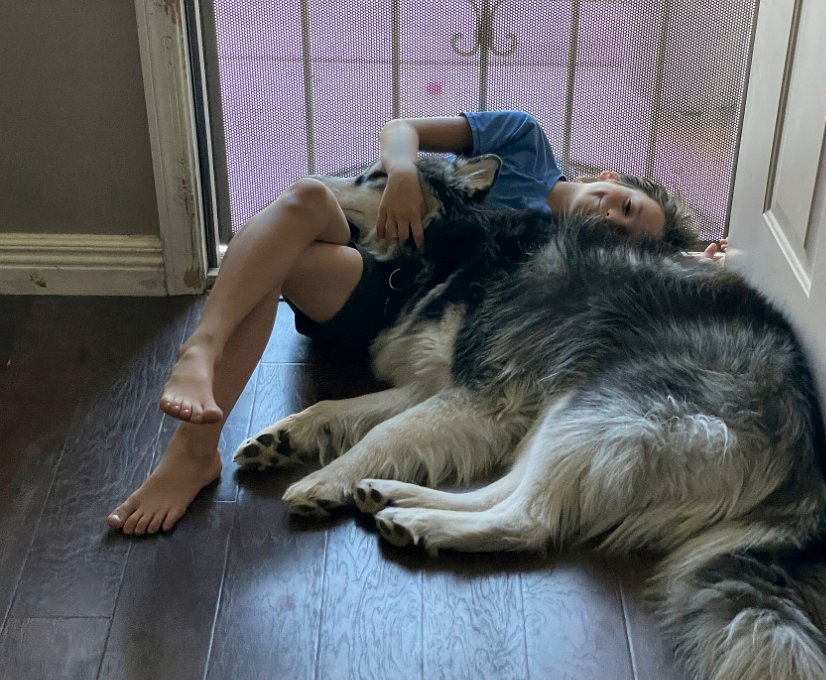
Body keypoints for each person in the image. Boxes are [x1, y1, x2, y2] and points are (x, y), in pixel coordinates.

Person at [107, 110, 724, 534]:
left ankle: (194, 441)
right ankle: (200, 369)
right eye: (627, 205)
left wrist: (706, 263)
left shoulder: (566, 257)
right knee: (304, 199)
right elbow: (402, 129)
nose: (612, 219)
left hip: (395, 304)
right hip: (369, 250)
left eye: (624, 234)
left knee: (271, 259)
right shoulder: (524, 140)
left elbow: (651, 286)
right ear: (610, 178)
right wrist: (403, 172)